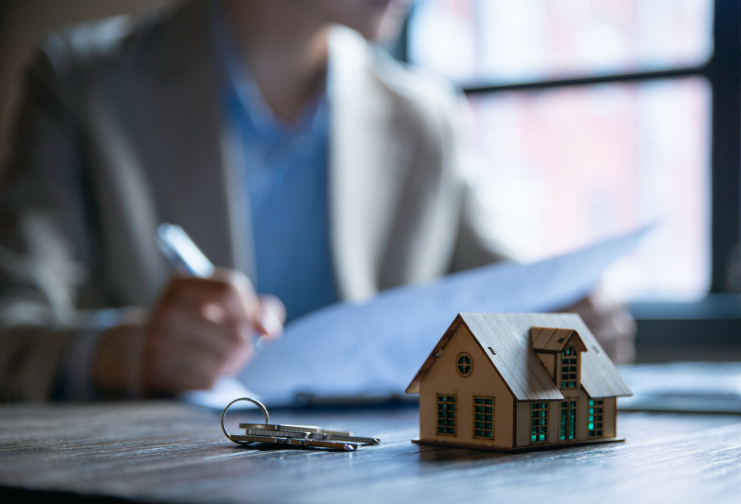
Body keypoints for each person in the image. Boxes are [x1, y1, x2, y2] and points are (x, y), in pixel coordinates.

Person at [0, 0, 633, 402]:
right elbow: (12, 330)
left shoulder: (425, 119)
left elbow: (516, 294)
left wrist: (564, 326)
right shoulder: (81, 86)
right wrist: (127, 353)